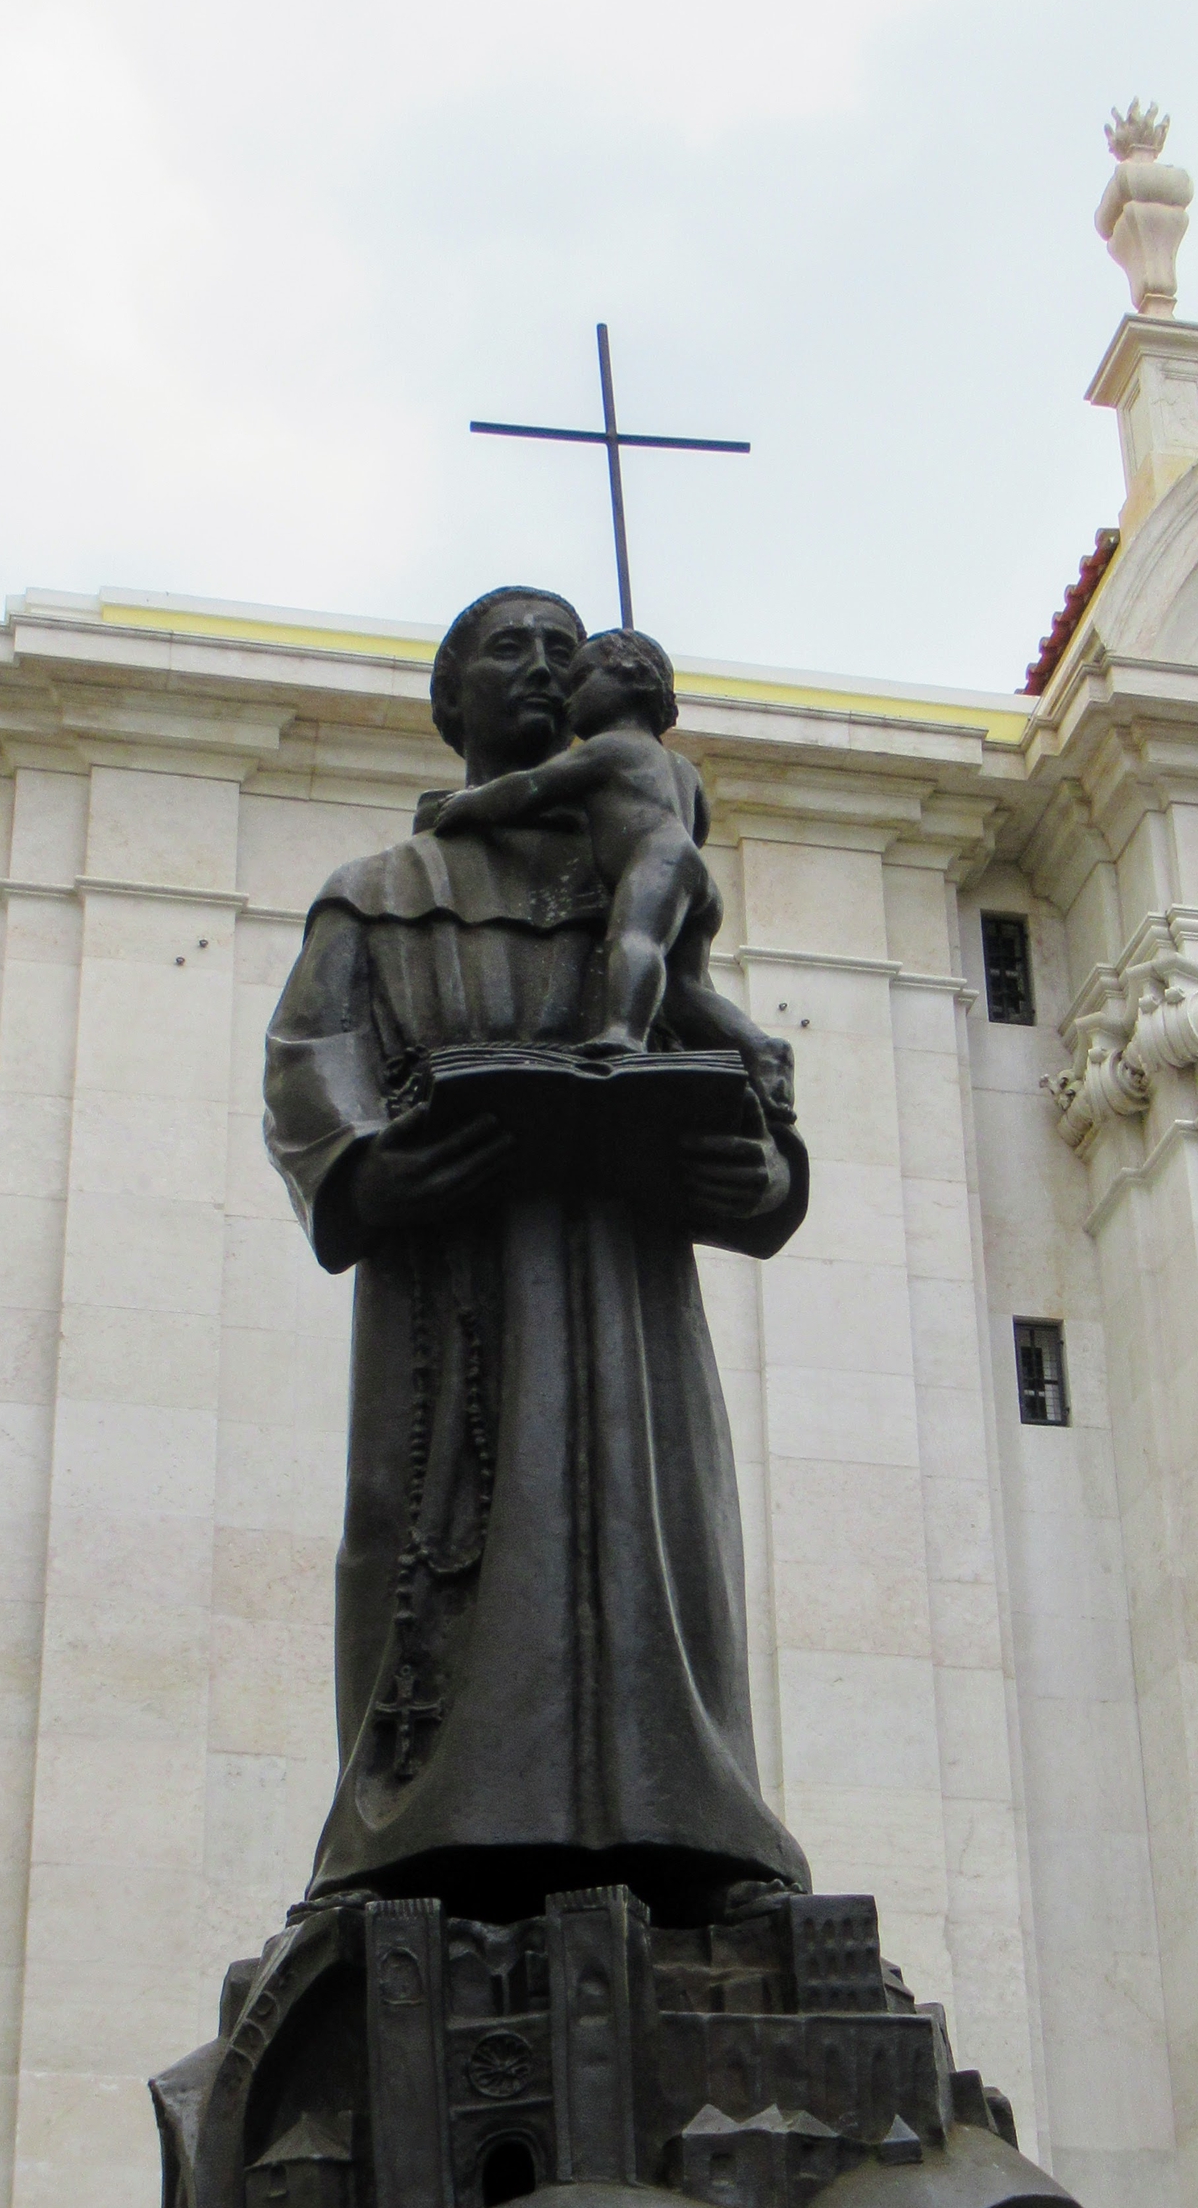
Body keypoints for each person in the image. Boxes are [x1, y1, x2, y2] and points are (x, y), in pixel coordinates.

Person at [262, 584, 812, 1921]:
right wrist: (374, 1166)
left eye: (565, 650)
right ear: (449, 696)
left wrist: (763, 1170)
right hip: (456, 1305)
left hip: (631, 1314)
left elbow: (745, 1107)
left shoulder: (634, 881)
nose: (545, 667)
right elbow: (306, 1070)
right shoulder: (379, 895)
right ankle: (426, 1829)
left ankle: (694, 1834)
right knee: (451, 1549)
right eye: (510, 646)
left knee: (653, 1546)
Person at [427, 628, 793, 1112]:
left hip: (656, 862)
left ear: (628, 680)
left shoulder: (609, 748)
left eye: (580, 679)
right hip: (691, 874)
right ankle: (761, 1050)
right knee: (684, 990)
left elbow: (532, 788)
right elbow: (698, 824)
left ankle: (624, 1033)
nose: (568, 697)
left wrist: (471, 805)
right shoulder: (680, 766)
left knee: (633, 941)